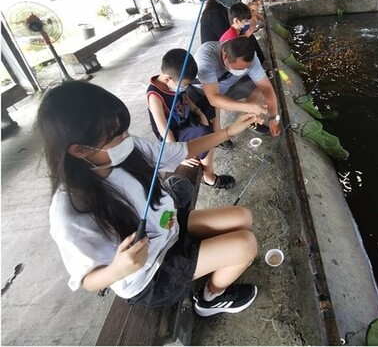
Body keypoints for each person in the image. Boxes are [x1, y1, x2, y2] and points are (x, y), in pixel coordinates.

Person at [37, 81, 259, 316]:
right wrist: (117, 270)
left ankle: (211, 262)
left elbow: (183, 150)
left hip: (169, 228)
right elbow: (87, 279)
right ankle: (210, 298)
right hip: (152, 272)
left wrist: (228, 131)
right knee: (246, 245)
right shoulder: (70, 209)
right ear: (79, 150)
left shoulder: (127, 148)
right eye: (115, 135)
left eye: (124, 130)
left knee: (243, 217)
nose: (127, 138)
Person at [147, 49, 234, 190]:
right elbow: (164, 130)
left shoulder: (174, 81)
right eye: (183, 85)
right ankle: (209, 177)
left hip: (187, 119)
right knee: (205, 133)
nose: (184, 88)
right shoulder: (154, 95)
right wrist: (178, 155)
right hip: (175, 134)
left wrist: (199, 112)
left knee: (212, 102)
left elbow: (185, 98)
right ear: (168, 79)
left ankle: (214, 139)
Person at [193, 37, 282, 140]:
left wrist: (274, 117)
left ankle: (251, 119)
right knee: (205, 129)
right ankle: (219, 135)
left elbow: (266, 88)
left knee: (260, 88)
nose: (243, 70)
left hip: (229, 87)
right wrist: (247, 106)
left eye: (246, 68)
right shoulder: (206, 56)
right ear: (225, 56)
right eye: (240, 68)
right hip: (204, 92)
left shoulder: (250, 58)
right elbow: (213, 98)